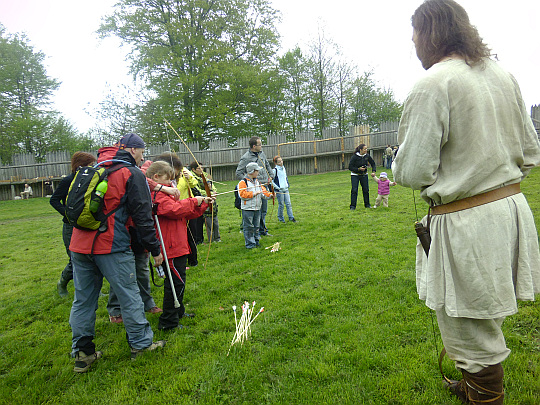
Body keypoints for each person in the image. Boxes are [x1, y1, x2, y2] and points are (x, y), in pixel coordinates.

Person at [393, 1, 540, 403]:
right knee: (478, 310)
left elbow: (412, 171)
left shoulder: (433, 84)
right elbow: (530, 153)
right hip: (510, 210)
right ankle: (474, 382)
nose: (412, 41)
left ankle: (484, 393)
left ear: (431, 33)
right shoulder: (502, 75)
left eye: (415, 32)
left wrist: (468, 186)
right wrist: (492, 183)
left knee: (465, 321)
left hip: (466, 223)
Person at [68, 133, 166, 372]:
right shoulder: (130, 174)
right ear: (133, 150)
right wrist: (154, 249)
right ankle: (141, 345)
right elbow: (143, 218)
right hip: (110, 244)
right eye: (142, 150)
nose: (144, 154)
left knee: (82, 300)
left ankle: (83, 353)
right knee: (129, 294)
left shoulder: (95, 168)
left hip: (79, 244)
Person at [145, 161, 213, 330]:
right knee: (175, 284)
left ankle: (178, 311)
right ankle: (168, 322)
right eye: (169, 179)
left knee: (179, 281)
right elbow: (173, 210)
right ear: (156, 177)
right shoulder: (156, 195)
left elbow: (182, 213)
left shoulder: (165, 193)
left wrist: (202, 203)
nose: (171, 184)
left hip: (177, 244)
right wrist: (194, 201)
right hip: (170, 247)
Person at [50, 152, 96, 297]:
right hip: (71, 226)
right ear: (81, 165)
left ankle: (94, 289)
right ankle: (62, 283)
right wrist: (68, 214)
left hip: (87, 224)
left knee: (91, 258)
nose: (93, 167)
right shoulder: (68, 181)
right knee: (75, 259)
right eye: (90, 165)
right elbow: (54, 200)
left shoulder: (91, 180)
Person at [236, 136, 275, 236]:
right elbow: (239, 172)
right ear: (254, 146)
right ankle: (252, 233)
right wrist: (248, 182)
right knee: (252, 211)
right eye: (260, 144)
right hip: (252, 188)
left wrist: (271, 176)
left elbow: (267, 166)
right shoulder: (246, 158)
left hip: (263, 186)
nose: (261, 146)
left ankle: (262, 231)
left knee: (263, 210)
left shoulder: (262, 154)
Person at [238, 162, 273, 249]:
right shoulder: (243, 182)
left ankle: (256, 242)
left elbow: (263, 192)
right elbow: (242, 195)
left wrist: (270, 195)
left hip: (257, 208)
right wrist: (254, 193)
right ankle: (250, 244)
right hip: (247, 209)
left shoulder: (258, 182)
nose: (258, 172)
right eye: (257, 171)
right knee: (249, 227)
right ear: (252, 171)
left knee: (256, 226)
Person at [348, 144, 376, 209]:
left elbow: (373, 163)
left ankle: (367, 205)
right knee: (354, 190)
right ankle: (352, 206)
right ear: (360, 150)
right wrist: (358, 169)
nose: (366, 150)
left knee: (366, 190)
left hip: (364, 175)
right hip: (355, 175)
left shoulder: (367, 156)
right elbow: (350, 167)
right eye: (364, 149)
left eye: (366, 149)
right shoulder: (354, 157)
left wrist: (373, 171)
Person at [188, 161, 207, 245]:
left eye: (202, 168)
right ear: (193, 169)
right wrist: (206, 195)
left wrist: (212, 191)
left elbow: (210, 185)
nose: (201, 170)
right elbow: (195, 189)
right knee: (195, 223)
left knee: (200, 221)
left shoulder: (203, 176)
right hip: (195, 201)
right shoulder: (191, 176)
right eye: (199, 168)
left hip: (201, 199)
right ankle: (196, 240)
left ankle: (200, 239)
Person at [272, 156, 296, 223]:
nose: (281, 162)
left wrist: (287, 185)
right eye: (279, 161)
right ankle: (281, 219)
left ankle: (291, 217)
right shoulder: (274, 170)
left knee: (288, 204)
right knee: (281, 204)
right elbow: (271, 181)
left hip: (286, 189)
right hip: (280, 190)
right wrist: (277, 188)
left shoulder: (284, 168)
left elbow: (285, 178)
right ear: (276, 163)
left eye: (281, 161)